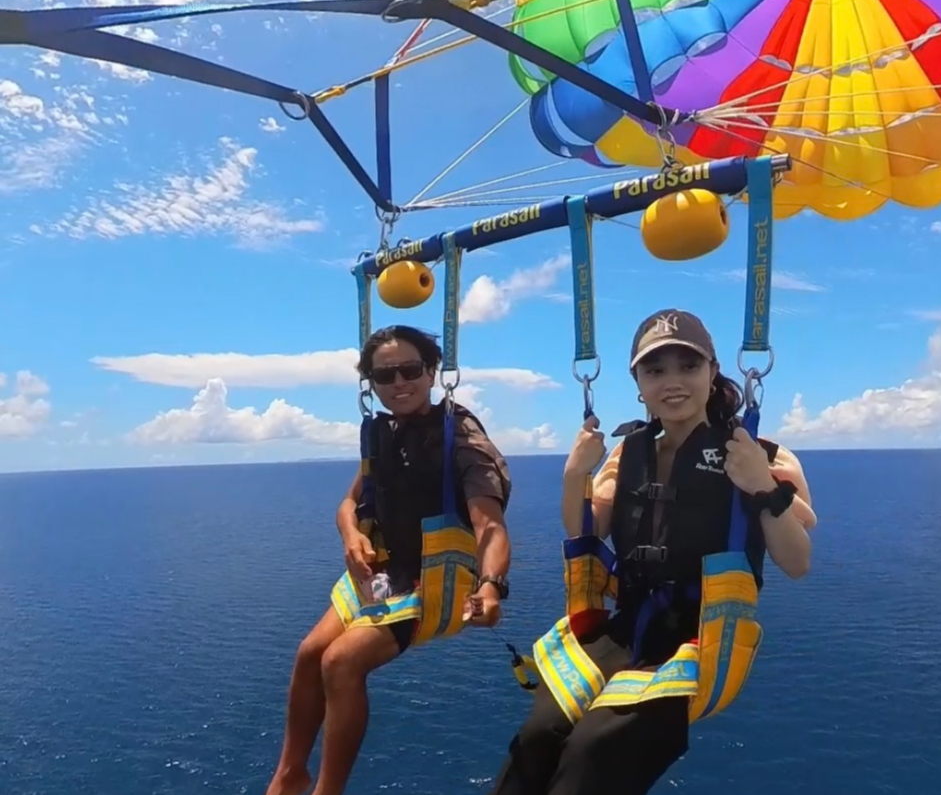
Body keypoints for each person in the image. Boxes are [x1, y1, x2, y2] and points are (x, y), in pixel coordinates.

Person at [488, 308, 817, 795]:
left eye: (688, 366)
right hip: (625, 626)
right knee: (537, 738)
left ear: (712, 371)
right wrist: (575, 474)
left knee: (593, 753)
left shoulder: (762, 454)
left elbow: (797, 562)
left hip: (701, 636)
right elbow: (588, 527)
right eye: (655, 370)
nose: (672, 382)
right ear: (638, 383)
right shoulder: (627, 454)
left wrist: (762, 486)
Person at [265, 325, 514, 795]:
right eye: (385, 375)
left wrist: (491, 585)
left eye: (410, 370)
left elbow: (491, 527)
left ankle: (327, 790)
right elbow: (348, 503)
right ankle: (289, 773)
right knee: (309, 654)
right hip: (385, 570)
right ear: (371, 384)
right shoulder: (382, 432)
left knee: (340, 662)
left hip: (439, 582)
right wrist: (349, 533)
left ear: (433, 372)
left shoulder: (459, 438)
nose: (398, 383)